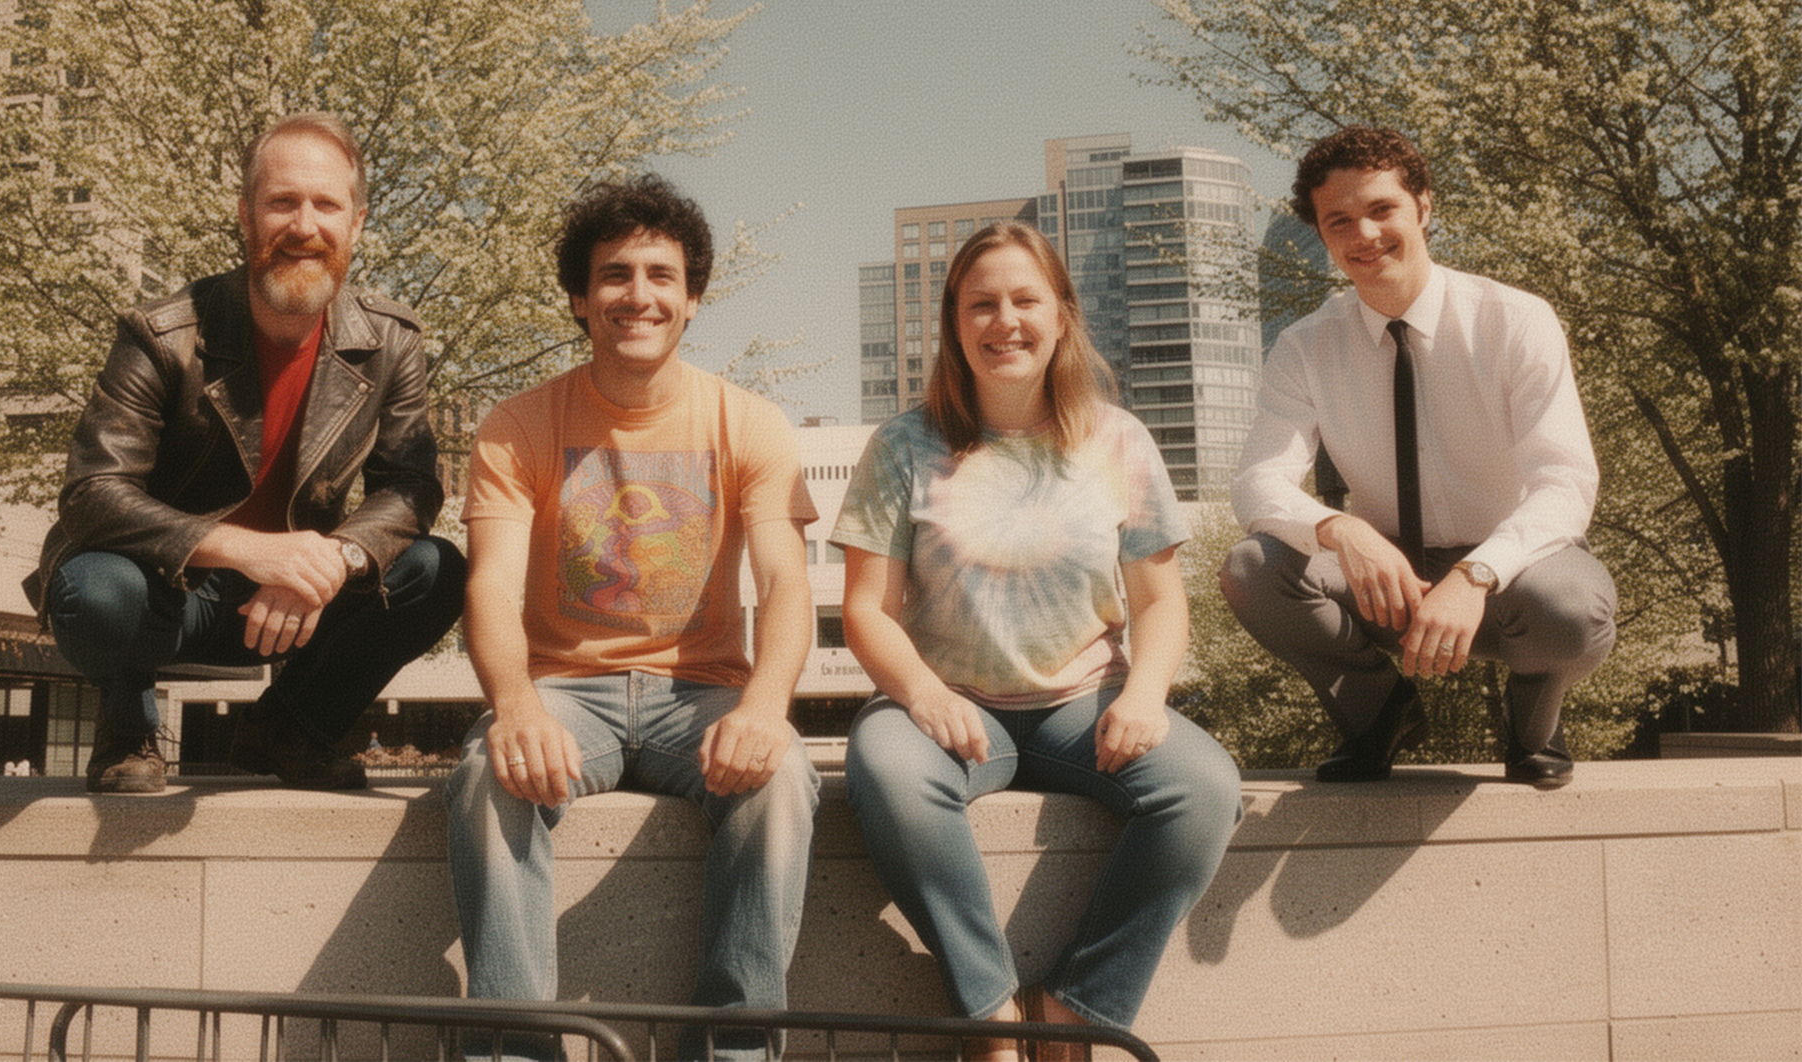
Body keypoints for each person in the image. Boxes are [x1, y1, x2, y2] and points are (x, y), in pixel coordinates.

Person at [832, 222, 1241, 1060]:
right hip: (945, 708)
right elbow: (868, 609)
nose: (1004, 321)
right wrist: (924, 696)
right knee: (887, 774)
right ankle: (988, 1013)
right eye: (981, 304)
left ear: (1062, 316)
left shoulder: (1118, 439)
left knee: (1203, 790)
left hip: (1082, 705)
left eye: (1026, 300)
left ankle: (1078, 1007)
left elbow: (1160, 601)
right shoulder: (902, 445)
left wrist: (1144, 695)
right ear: (954, 322)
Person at [447, 175, 820, 1062]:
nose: (638, 295)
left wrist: (765, 708)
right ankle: (514, 1052)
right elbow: (491, 588)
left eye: (662, 275)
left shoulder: (751, 424)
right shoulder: (516, 426)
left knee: (782, 779)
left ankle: (730, 1053)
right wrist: (516, 707)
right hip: (565, 690)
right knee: (486, 776)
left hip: (705, 694)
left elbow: (786, 583)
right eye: (615, 275)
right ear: (580, 297)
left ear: (693, 298)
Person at [26, 112, 466, 794]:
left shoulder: (392, 340)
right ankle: (128, 726)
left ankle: (287, 732)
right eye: (282, 202)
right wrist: (246, 549)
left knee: (437, 570)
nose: (304, 225)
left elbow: (410, 487)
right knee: (93, 592)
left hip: (298, 604)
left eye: (326, 204)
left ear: (357, 222)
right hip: (170, 597)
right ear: (245, 215)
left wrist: (334, 556)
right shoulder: (162, 333)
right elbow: (92, 492)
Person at [1222, 126, 1616, 788]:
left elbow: (1565, 482)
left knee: (1571, 608)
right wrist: (1340, 530)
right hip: (1387, 582)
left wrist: (1477, 572)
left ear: (1424, 207)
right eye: (1339, 220)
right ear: (1322, 234)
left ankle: (1534, 727)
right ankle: (1382, 713)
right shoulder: (1305, 346)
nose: (1364, 235)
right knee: (1252, 570)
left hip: (1511, 579)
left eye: (1381, 210)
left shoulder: (1514, 320)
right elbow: (1259, 481)